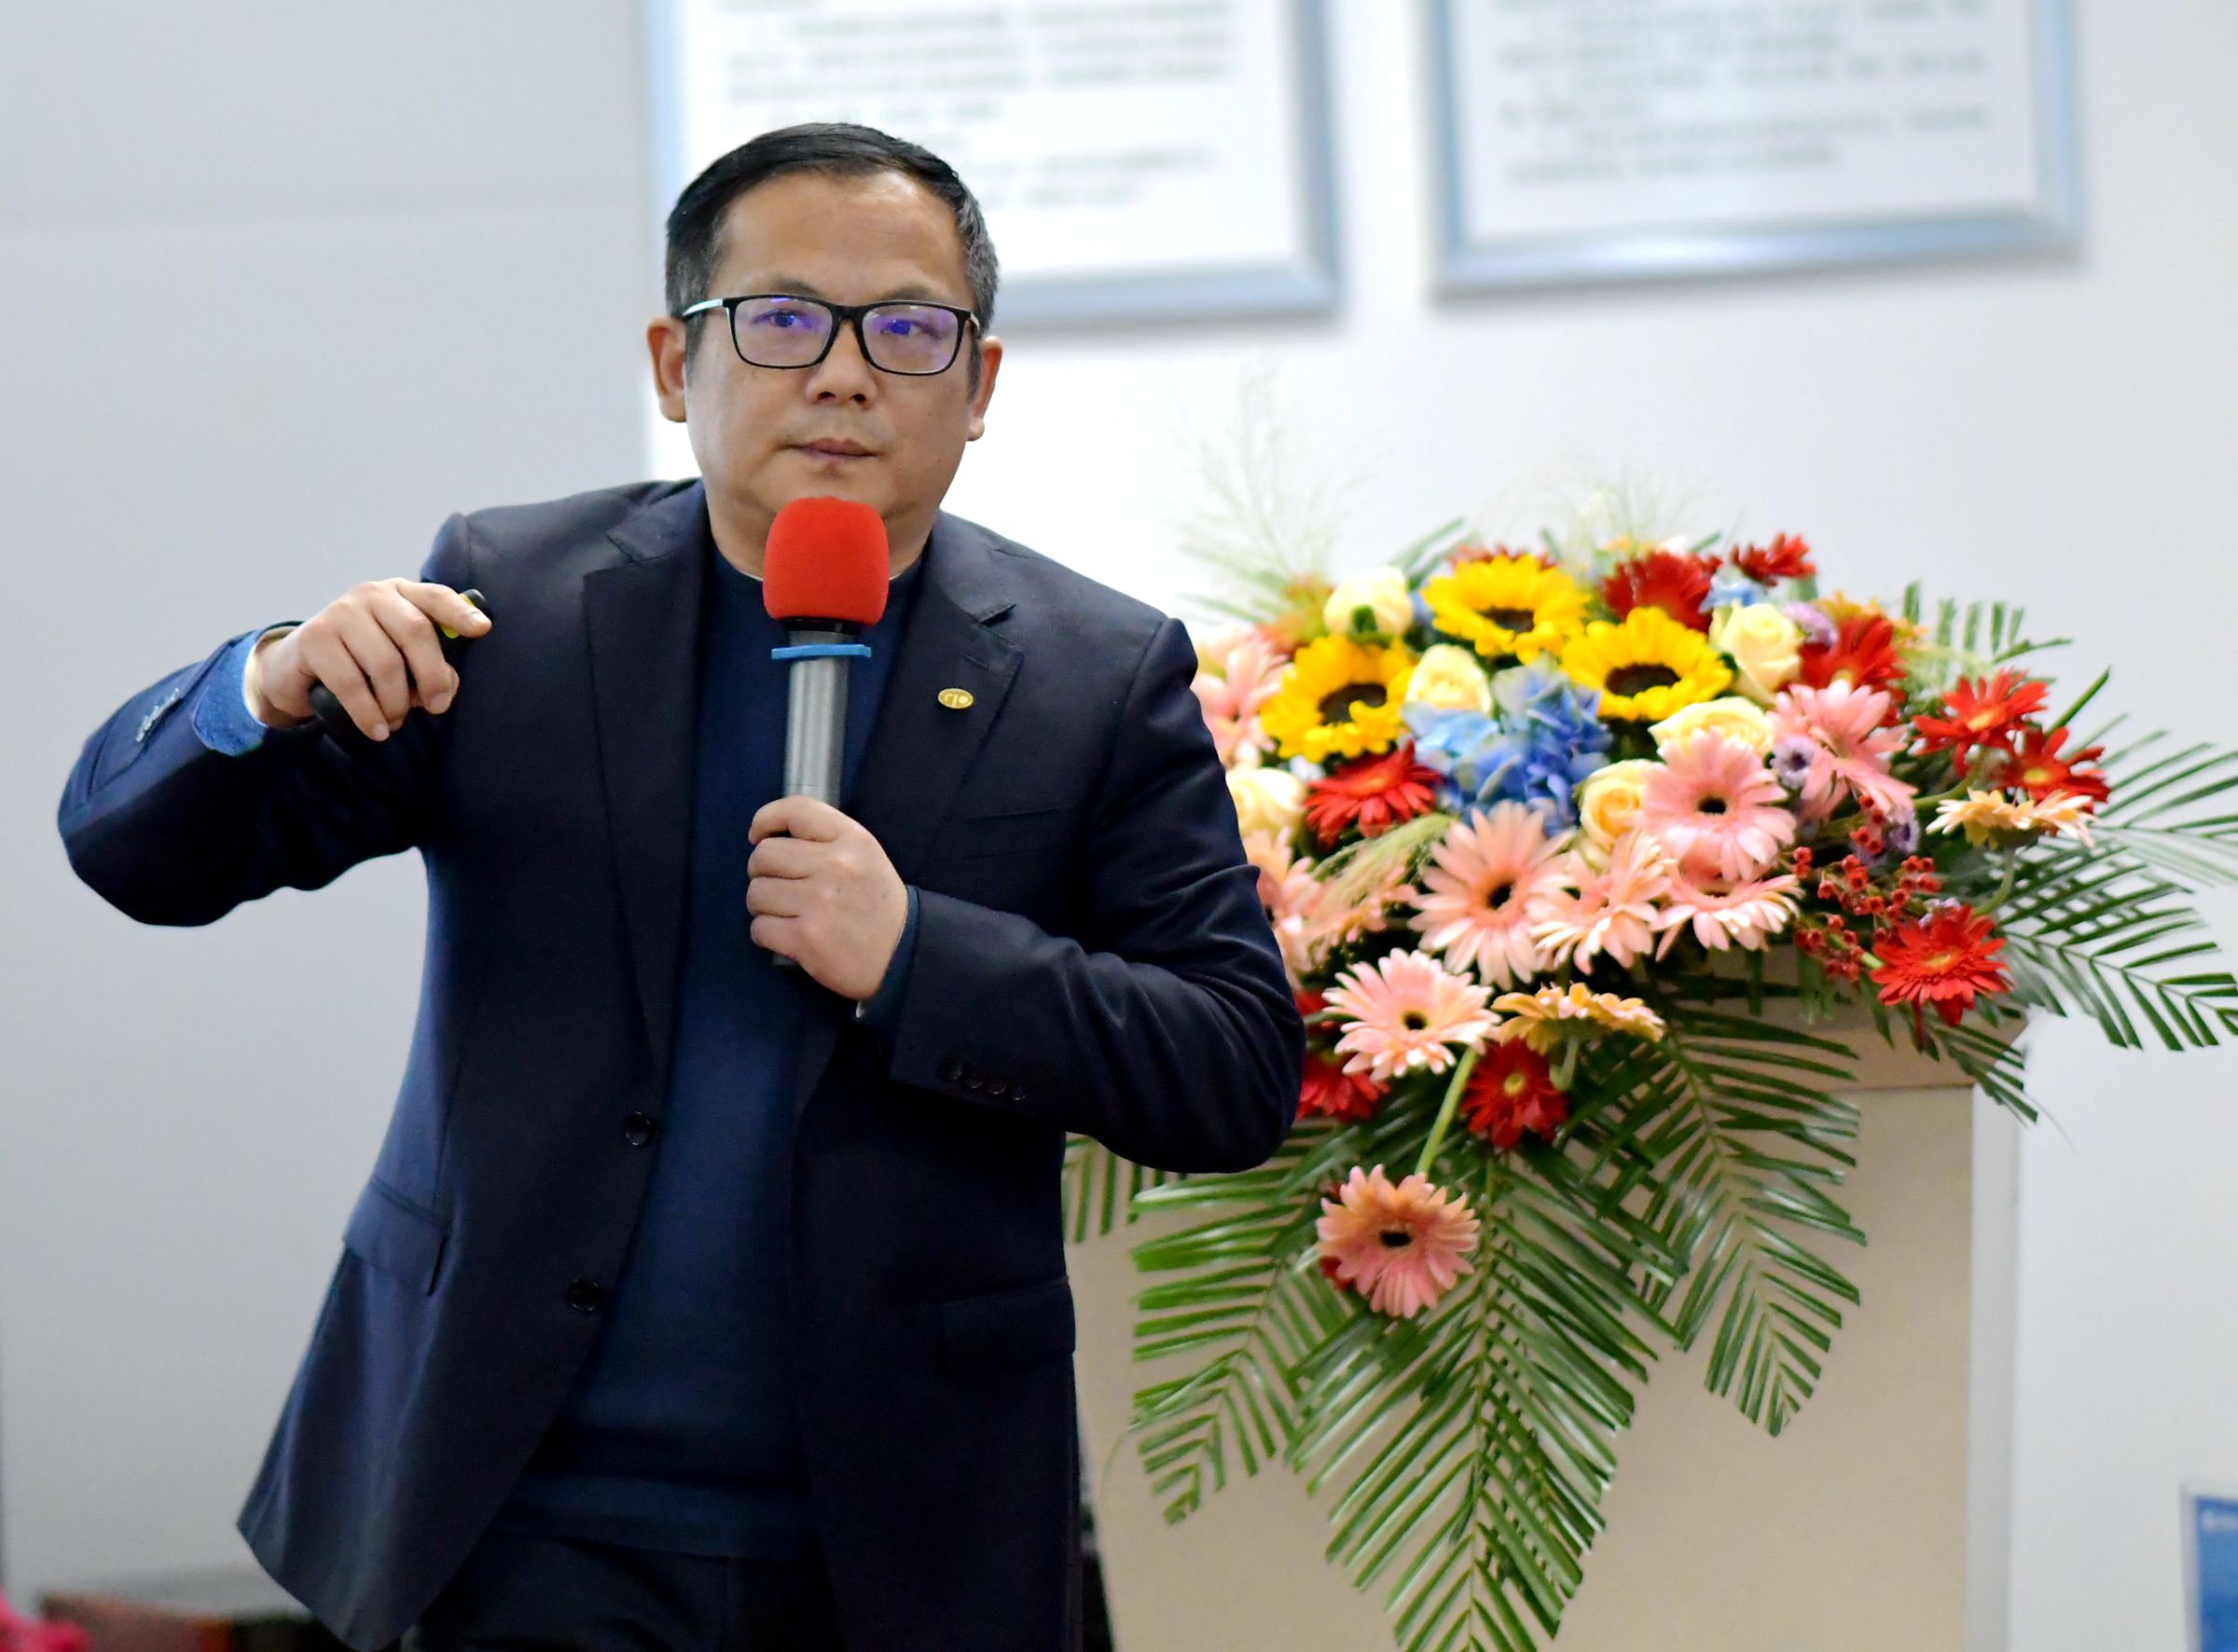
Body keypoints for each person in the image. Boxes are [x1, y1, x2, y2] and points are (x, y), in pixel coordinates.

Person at [55, 122, 1304, 1652]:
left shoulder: (1091, 672)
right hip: (519, 1503)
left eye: (909, 331)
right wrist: (263, 689)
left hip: (900, 1529)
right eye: (780, 320)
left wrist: (919, 955)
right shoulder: (514, 608)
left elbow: (1234, 1070)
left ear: (979, 387)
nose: (841, 376)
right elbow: (140, 862)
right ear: (673, 361)